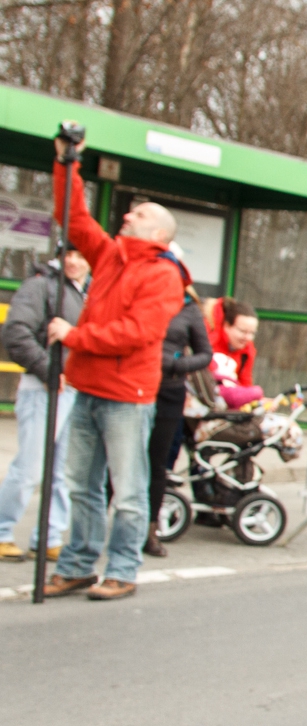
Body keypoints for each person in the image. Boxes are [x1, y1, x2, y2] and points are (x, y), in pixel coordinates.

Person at [42, 137, 185, 601]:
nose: (127, 215)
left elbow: (136, 333)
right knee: (81, 486)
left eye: (139, 214)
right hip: (87, 388)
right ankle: (79, 564)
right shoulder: (109, 255)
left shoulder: (162, 276)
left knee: (127, 491)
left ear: (159, 234)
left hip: (127, 397)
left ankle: (123, 568)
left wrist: (74, 336)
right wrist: (69, 161)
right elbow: (74, 215)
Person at [0, 250, 88, 563]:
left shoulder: (81, 291)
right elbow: (16, 332)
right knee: (30, 466)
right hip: (44, 388)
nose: (74, 261)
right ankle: (2, 532)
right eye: (69, 254)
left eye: (81, 255)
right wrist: (47, 369)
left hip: (71, 390)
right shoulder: (40, 286)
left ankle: (49, 536)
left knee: (59, 469)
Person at [145, 275, 213, 558]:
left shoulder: (188, 309)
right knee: (118, 461)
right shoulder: (143, 298)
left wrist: (176, 365)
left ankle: (149, 532)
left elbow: (204, 354)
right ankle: (98, 529)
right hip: (134, 387)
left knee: (156, 463)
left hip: (169, 391)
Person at [205, 297, 262, 409]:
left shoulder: (247, 352)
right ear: (226, 326)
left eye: (252, 333)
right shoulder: (210, 341)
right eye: (242, 331)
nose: (248, 338)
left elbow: (245, 382)